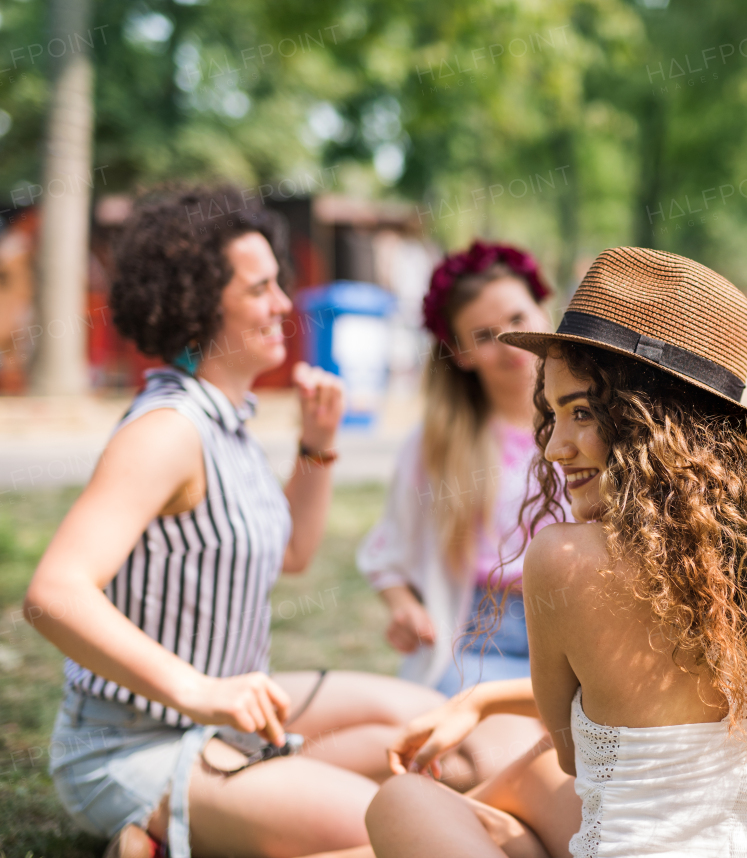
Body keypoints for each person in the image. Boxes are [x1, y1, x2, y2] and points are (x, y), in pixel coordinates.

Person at [365, 246, 747, 858]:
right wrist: (489, 697)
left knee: (404, 800)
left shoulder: (565, 559)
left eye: (581, 412)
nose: (555, 448)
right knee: (506, 805)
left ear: (655, 420)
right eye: (552, 414)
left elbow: (575, 753)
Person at [23, 188, 473, 858]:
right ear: (200, 304)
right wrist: (198, 691)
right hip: (132, 741)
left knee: (444, 740)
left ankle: (193, 828)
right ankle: (173, 817)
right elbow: (53, 594)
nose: (284, 305)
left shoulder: (226, 420)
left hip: (229, 716)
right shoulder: (167, 431)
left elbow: (291, 553)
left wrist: (317, 447)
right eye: (261, 289)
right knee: (413, 833)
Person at [356, 241, 556, 776]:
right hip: (483, 641)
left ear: (544, 308)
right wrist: (403, 606)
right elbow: (385, 552)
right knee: (515, 767)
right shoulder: (438, 445)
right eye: (484, 336)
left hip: (580, 635)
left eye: (518, 317)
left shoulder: (600, 424)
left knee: (582, 772)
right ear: (461, 353)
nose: (510, 343)